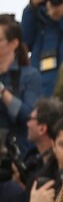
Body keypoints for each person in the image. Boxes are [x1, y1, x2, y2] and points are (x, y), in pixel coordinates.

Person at [0, 14, 42, 155]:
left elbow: (29, 116)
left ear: (13, 44)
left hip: (19, 155)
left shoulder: (30, 76)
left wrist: (3, 92)